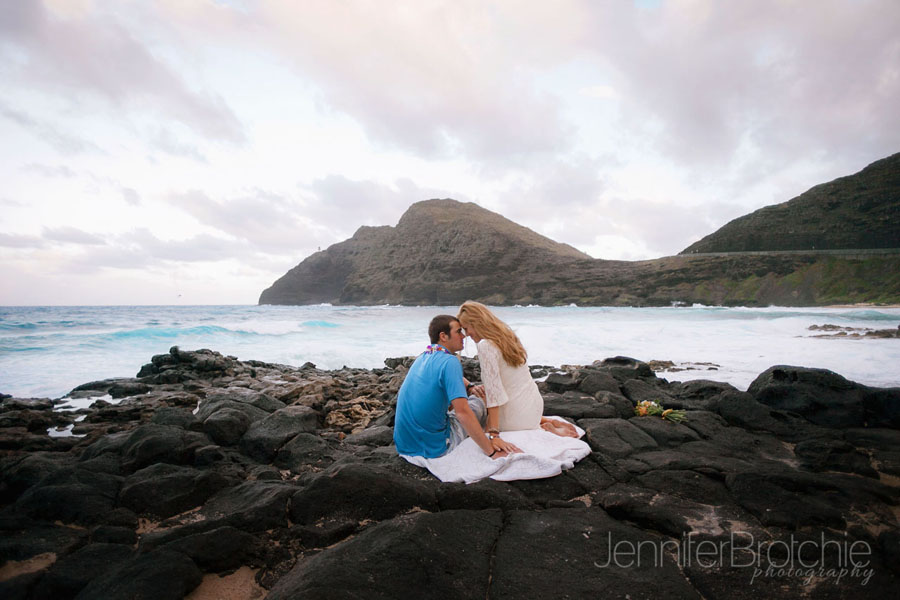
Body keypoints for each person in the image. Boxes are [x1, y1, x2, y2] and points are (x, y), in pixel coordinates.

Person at [393, 314, 522, 460]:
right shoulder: (450, 362)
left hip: (405, 445)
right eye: (459, 331)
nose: (464, 336)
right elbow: (463, 413)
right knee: (479, 401)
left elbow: (449, 377)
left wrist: (470, 386)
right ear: (443, 336)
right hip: (436, 448)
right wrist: (491, 452)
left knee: (461, 399)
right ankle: (489, 432)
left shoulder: (424, 356)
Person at [456, 301, 578, 438]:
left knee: (476, 427)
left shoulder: (485, 346)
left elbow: (494, 394)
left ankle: (547, 430)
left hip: (514, 419)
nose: (466, 334)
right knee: (487, 398)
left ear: (476, 323)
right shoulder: (506, 336)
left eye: (466, 329)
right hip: (534, 406)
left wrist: (493, 433)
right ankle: (547, 421)